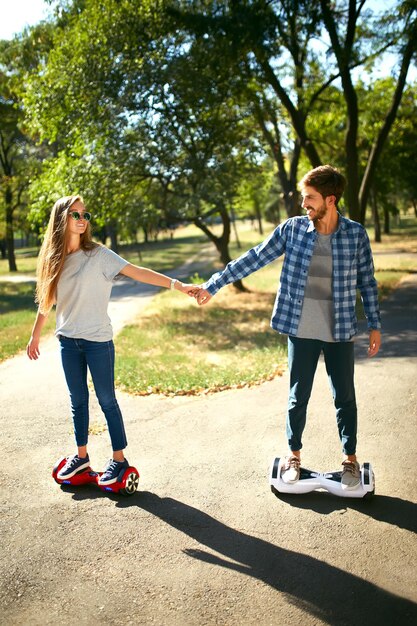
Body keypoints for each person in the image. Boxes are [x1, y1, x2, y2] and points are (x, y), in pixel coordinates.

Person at [196, 165, 381, 489]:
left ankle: (349, 460)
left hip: (339, 331)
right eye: (303, 197)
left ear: (330, 199)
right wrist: (214, 284)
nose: (304, 204)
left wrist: (375, 325)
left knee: (345, 398)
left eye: (309, 198)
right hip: (301, 329)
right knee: (298, 397)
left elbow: (367, 281)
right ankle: (293, 456)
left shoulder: (355, 235)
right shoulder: (293, 230)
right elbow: (254, 258)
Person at [27, 195, 199, 485]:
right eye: (76, 214)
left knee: (107, 400)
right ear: (61, 219)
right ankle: (81, 458)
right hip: (68, 343)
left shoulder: (99, 255)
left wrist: (177, 285)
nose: (83, 220)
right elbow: (46, 302)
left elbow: (138, 271)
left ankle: (119, 461)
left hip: (98, 343)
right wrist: (34, 336)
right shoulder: (54, 261)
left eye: (85, 215)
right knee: (77, 401)